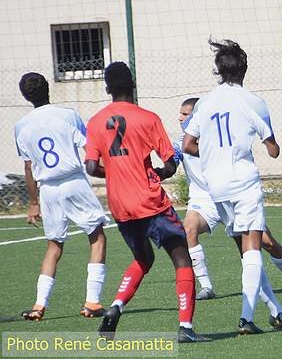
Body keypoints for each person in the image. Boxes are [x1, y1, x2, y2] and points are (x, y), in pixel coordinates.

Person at [85, 62, 208, 343]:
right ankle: (186, 327)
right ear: (133, 85)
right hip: (149, 200)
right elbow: (170, 164)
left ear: (107, 88)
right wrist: (158, 173)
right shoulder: (148, 118)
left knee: (143, 258)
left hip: (120, 204)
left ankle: (116, 306)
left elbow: (91, 166)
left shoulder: (95, 122)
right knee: (181, 257)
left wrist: (115, 172)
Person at [182, 39, 282, 335]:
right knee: (252, 250)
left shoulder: (204, 103)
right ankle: (246, 318)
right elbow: (273, 150)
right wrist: (269, 143)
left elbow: (188, 144)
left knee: (245, 249)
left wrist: (212, 153)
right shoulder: (253, 101)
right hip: (243, 181)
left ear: (218, 70)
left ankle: (276, 310)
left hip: (216, 187)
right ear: (244, 69)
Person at [174, 97, 282, 300]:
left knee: (267, 243)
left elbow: (268, 151)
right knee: (188, 229)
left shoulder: (221, 138)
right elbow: (173, 161)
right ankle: (207, 287)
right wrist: (160, 171)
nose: (180, 118)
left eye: (185, 114)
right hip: (204, 201)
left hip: (233, 197)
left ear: (197, 116)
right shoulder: (181, 143)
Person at [13, 72, 109, 321]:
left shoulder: (21, 126)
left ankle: (38, 306)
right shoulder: (68, 115)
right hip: (73, 181)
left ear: (25, 96)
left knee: (54, 245)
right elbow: (89, 148)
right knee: (97, 236)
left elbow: (28, 168)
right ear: (48, 89)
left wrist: (33, 203)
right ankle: (92, 302)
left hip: (48, 189)